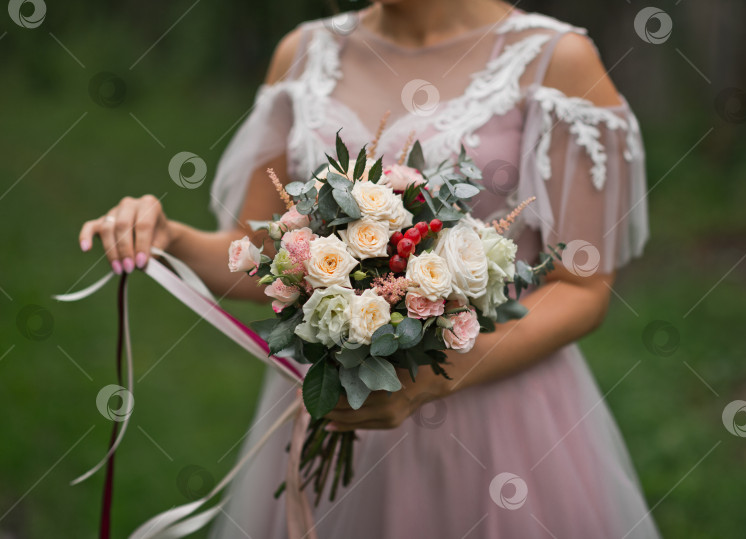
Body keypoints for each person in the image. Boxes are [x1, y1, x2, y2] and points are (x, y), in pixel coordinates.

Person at [79, 1, 659, 537]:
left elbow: (581, 285)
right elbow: (262, 263)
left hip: (499, 414)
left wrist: (433, 378)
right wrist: (169, 239)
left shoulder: (555, 61)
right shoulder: (303, 54)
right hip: (335, 408)